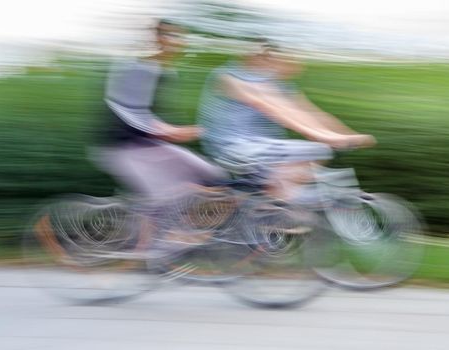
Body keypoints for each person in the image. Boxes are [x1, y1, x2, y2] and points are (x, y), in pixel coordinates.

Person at [93, 19, 226, 245]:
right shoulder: (132, 68)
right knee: (164, 195)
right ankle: (155, 251)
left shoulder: (165, 73)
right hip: (120, 147)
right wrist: (172, 132)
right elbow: (132, 113)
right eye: (170, 38)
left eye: (178, 38)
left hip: (148, 145)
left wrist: (179, 131)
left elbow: (151, 118)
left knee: (213, 175)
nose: (176, 44)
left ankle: (175, 232)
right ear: (156, 40)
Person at [197, 40, 374, 204]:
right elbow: (274, 108)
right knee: (315, 151)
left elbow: (310, 112)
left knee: (308, 163)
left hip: (262, 147)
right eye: (288, 59)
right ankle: (275, 203)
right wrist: (325, 136)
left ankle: (271, 205)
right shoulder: (231, 77)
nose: (296, 66)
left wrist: (345, 134)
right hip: (233, 147)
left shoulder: (277, 85)